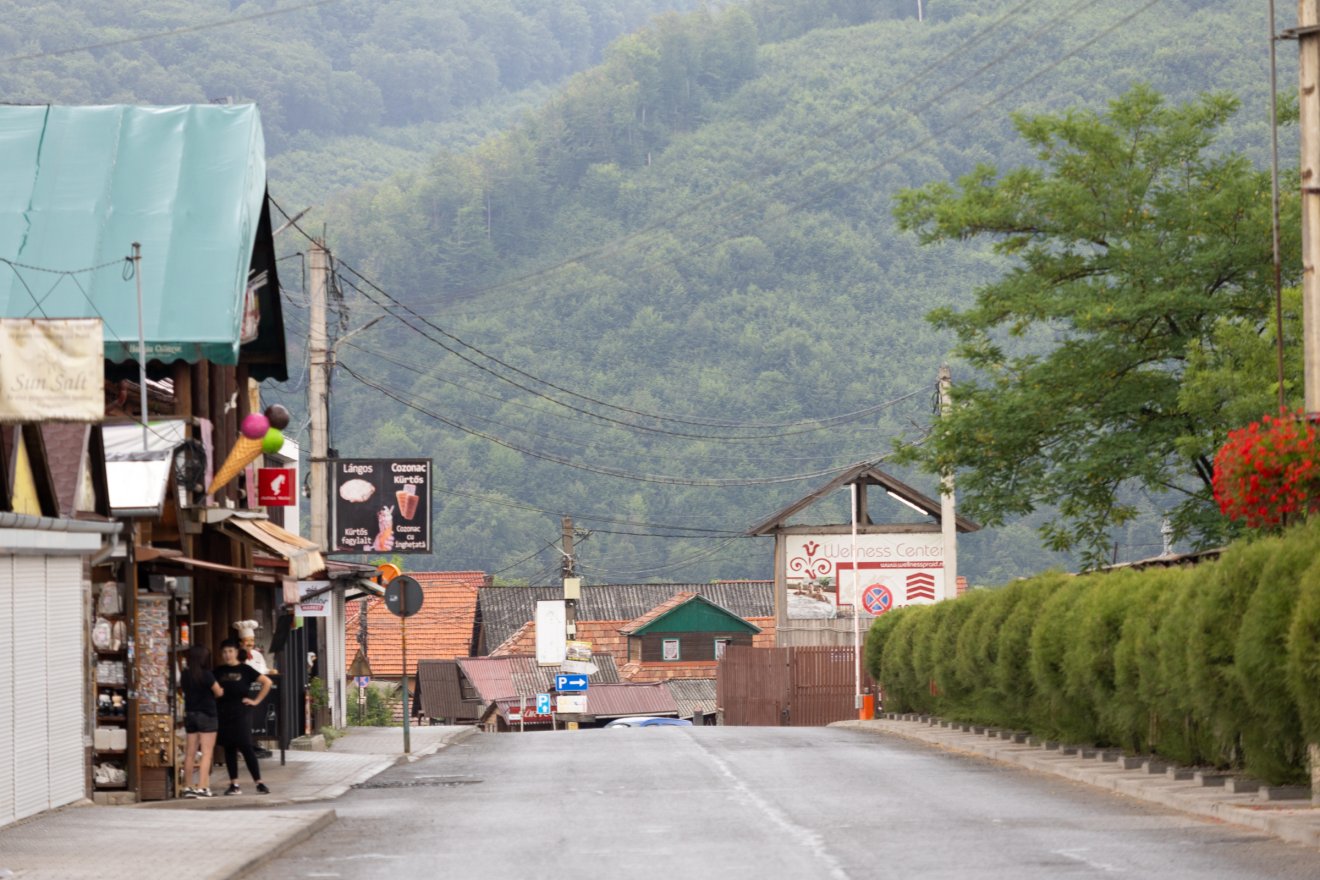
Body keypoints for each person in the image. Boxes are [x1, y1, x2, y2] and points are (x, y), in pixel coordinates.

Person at [214, 638, 272, 795]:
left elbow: (266, 682)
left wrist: (256, 701)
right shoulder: (218, 671)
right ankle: (234, 784)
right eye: (224, 652)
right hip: (223, 712)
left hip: (242, 711)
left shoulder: (246, 670)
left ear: (236, 652)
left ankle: (259, 782)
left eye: (230, 651)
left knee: (246, 746)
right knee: (229, 748)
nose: (227, 655)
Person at [180, 644, 223, 798]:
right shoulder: (207, 675)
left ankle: (187, 786)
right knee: (206, 753)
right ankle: (203, 787)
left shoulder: (185, 675)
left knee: (190, 753)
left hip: (190, 714)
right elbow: (218, 692)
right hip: (207, 715)